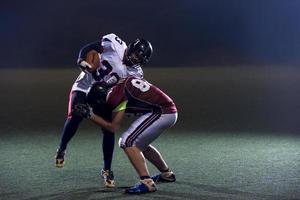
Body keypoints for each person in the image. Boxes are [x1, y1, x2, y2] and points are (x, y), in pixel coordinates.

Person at [55, 33, 153, 188]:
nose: (134, 59)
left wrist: (133, 106)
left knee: (109, 130)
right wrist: (81, 60)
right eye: (134, 55)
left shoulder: (136, 73)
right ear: (131, 48)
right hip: (85, 84)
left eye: (139, 59)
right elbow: (90, 48)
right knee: (75, 116)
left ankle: (107, 169)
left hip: (103, 94)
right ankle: (62, 148)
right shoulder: (115, 44)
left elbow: (131, 92)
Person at [72, 76, 178, 194]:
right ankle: (167, 174)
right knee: (140, 144)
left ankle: (147, 183)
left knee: (127, 141)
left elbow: (113, 127)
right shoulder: (117, 86)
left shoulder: (113, 97)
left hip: (162, 112)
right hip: (163, 109)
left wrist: (90, 115)